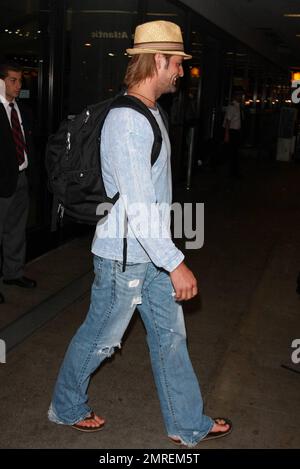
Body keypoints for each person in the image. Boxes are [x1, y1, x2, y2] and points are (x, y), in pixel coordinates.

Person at [48, 20, 232, 447]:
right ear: (157, 60)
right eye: (177, 63)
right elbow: (137, 204)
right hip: (125, 258)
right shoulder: (127, 122)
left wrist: (165, 259)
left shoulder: (150, 112)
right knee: (100, 338)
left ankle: (186, 423)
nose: (181, 72)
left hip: (147, 254)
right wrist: (177, 264)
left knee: (171, 337)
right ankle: (66, 405)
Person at [0, 61, 36, 303]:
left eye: (20, 80)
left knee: (16, 230)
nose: (18, 85)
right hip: (2, 182)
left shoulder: (21, 109)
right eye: (13, 80)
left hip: (21, 176)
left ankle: (13, 273)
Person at [223, 89, 244, 178]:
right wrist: (227, 134)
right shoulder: (232, 107)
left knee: (235, 152)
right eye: (239, 95)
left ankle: (234, 172)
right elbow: (228, 121)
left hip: (236, 131)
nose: (241, 97)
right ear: (236, 96)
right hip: (232, 131)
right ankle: (232, 173)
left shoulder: (238, 106)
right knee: (232, 152)